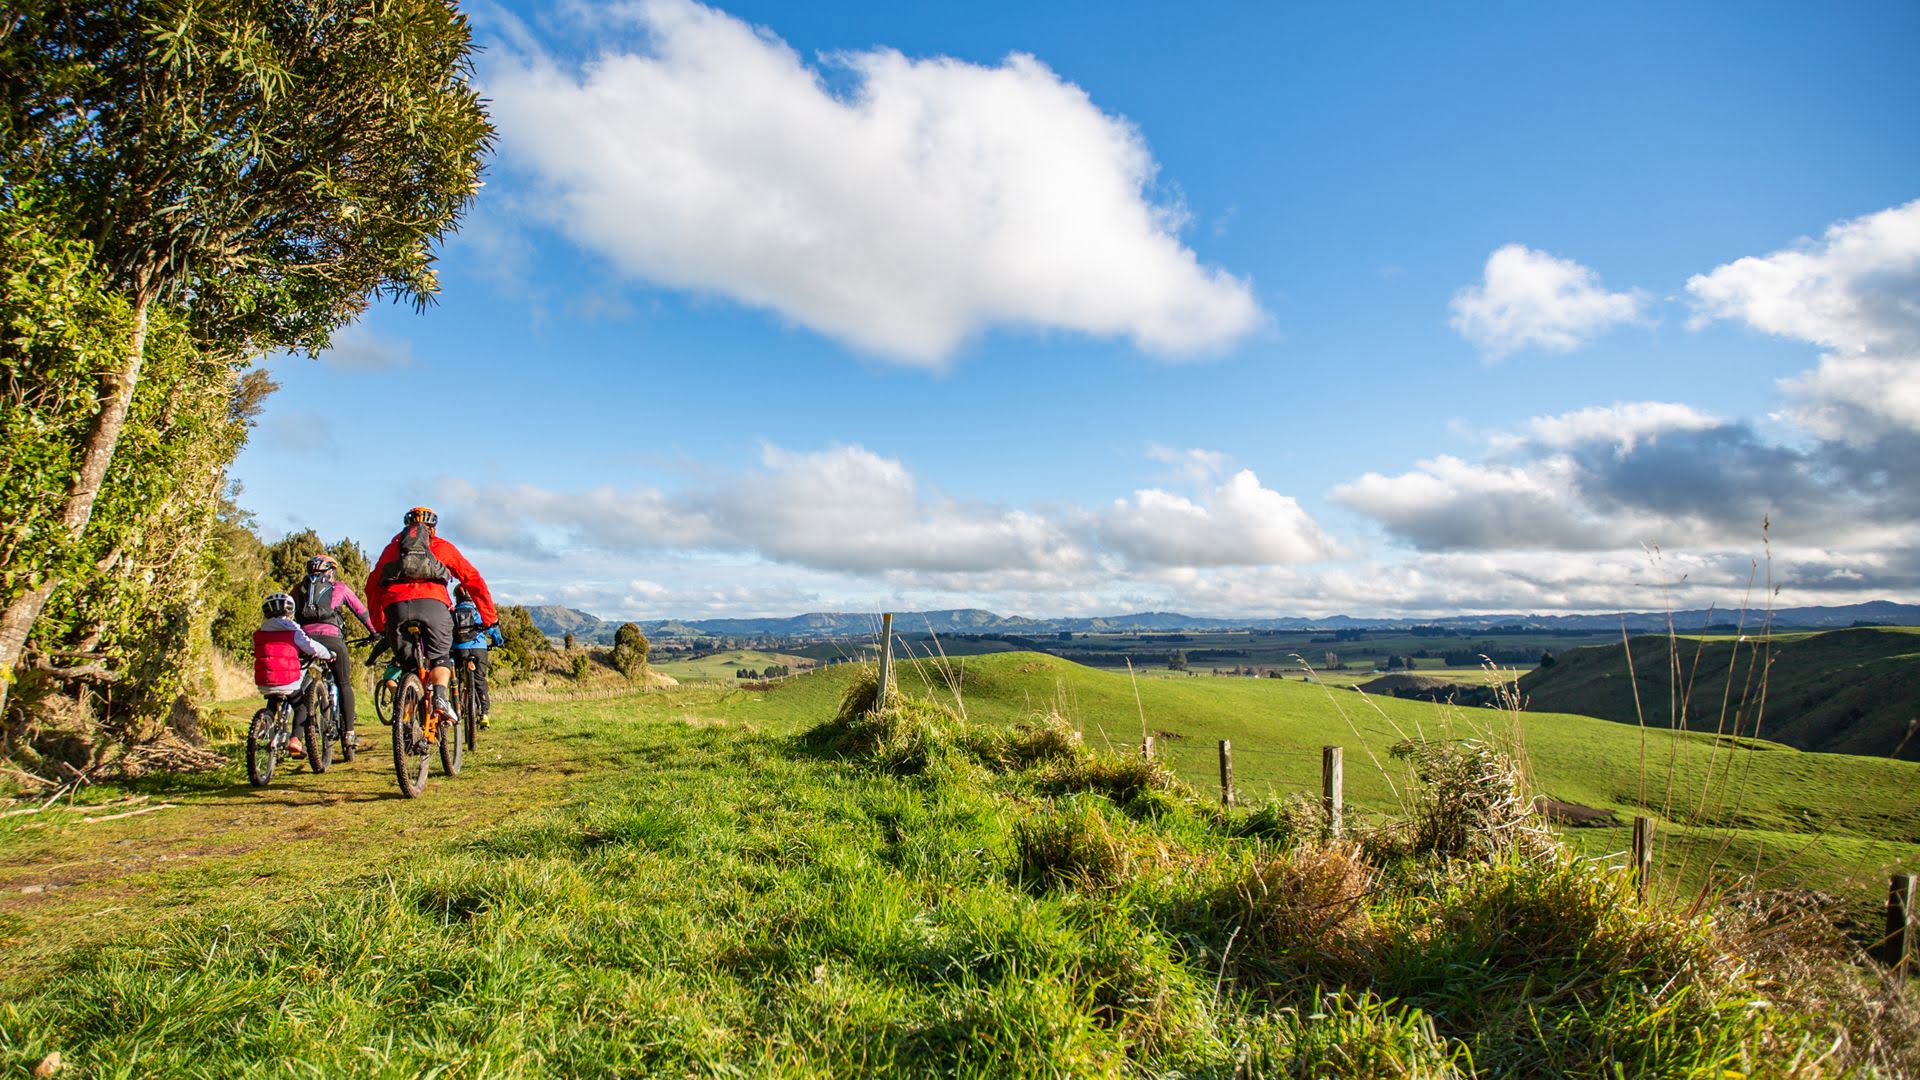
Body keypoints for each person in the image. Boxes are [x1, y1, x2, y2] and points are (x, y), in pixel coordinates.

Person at [364, 506, 497, 726]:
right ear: (433, 527)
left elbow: (372, 586)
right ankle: (440, 698)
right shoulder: (442, 547)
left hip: (396, 607)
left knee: (409, 667)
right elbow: (473, 580)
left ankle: (407, 722)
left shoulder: (392, 549)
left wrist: (379, 624)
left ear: (407, 526)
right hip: (433, 605)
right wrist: (489, 617)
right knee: (440, 657)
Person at [293, 553, 375, 750]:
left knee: (300, 687)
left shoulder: (300, 589)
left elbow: (288, 612)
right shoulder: (340, 588)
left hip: (304, 640)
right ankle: (349, 734)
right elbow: (361, 612)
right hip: (332, 639)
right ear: (331, 571)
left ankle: (294, 737)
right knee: (344, 683)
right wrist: (374, 633)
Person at [251, 592, 334, 759]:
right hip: (288, 681)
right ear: (290, 611)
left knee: (273, 699)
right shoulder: (293, 630)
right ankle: (295, 739)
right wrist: (328, 654)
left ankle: (265, 727)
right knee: (301, 706)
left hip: (264, 681)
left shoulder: (258, 633)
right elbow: (311, 647)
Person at [450, 584, 505, 728]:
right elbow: (492, 627)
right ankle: (484, 715)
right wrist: (498, 642)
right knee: (480, 679)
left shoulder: (453, 613)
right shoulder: (477, 611)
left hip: (459, 649)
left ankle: (457, 707)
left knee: (458, 678)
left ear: (457, 597)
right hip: (479, 649)